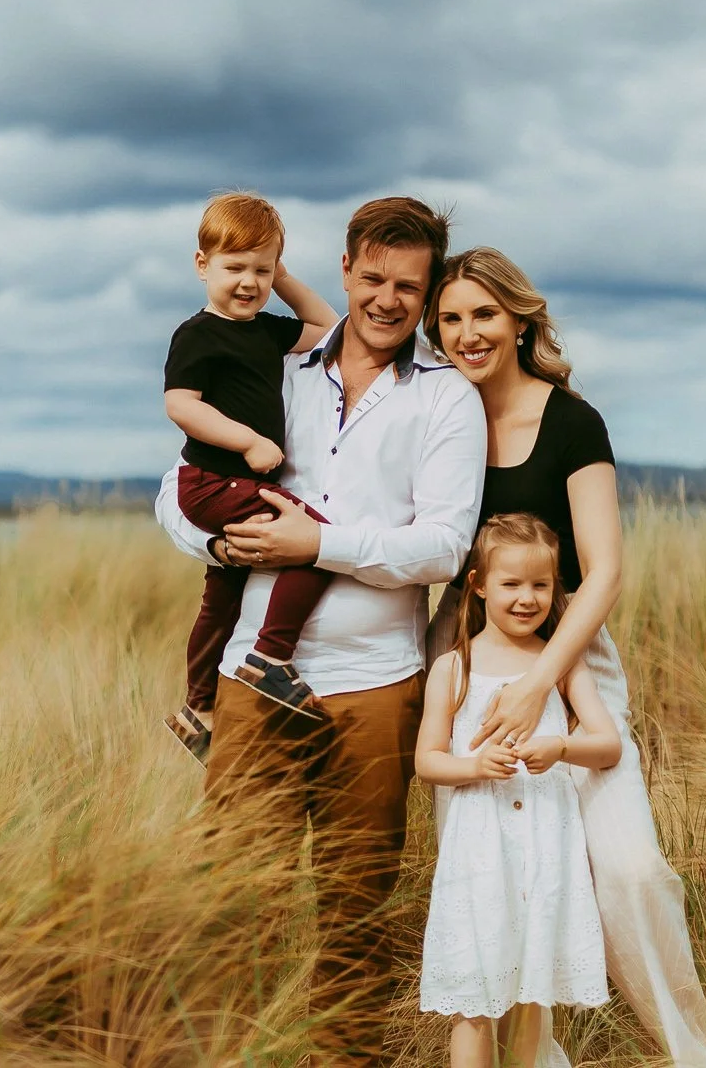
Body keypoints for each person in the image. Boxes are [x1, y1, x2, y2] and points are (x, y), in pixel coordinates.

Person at [152, 196, 486, 1065]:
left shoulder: (446, 398)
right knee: (233, 896)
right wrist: (218, 537)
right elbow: (176, 488)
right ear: (344, 270)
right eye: (371, 278)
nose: (386, 299)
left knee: (354, 910)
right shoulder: (280, 360)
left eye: (407, 287)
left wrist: (320, 543)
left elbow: (445, 542)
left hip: (376, 685)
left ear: (427, 292)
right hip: (252, 681)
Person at [427, 246, 706, 1067]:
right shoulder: (437, 412)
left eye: (484, 314)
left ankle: (691, 1050)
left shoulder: (571, 420)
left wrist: (539, 683)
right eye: (449, 318)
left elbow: (604, 573)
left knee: (629, 869)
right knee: (501, 891)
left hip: (571, 661)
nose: (466, 333)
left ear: (520, 317)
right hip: (467, 665)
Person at [418, 514, 620, 1068]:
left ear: (557, 589)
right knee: (475, 999)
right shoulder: (453, 667)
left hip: (543, 848)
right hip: (479, 852)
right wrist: (476, 764)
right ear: (480, 584)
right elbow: (427, 760)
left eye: (541, 585)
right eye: (511, 584)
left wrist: (560, 747)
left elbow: (607, 744)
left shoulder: (560, 666)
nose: (527, 598)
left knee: (532, 995)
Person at [161, 192, 340, 759]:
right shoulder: (196, 334)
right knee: (314, 539)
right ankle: (270, 655)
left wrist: (284, 274)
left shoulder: (266, 331)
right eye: (234, 267)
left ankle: (199, 704)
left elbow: (329, 327)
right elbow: (182, 406)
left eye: (261, 270)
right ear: (202, 265)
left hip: (241, 485)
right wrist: (250, 442)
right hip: (212, 483)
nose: (248, 282)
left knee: (223, 594)